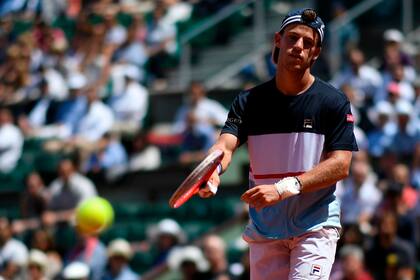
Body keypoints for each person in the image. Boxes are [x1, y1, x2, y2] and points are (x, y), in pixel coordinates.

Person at [199, 8, 358, 279]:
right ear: (278, 40)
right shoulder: (248, 102)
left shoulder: (333, 101)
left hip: (315, 226)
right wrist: (213, 170)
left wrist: (285, 188)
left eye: (308, 43)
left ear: (316, 53)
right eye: (292, 38)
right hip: (265, 230)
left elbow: (341, 165)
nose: (298, 47)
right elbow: (225, 146)